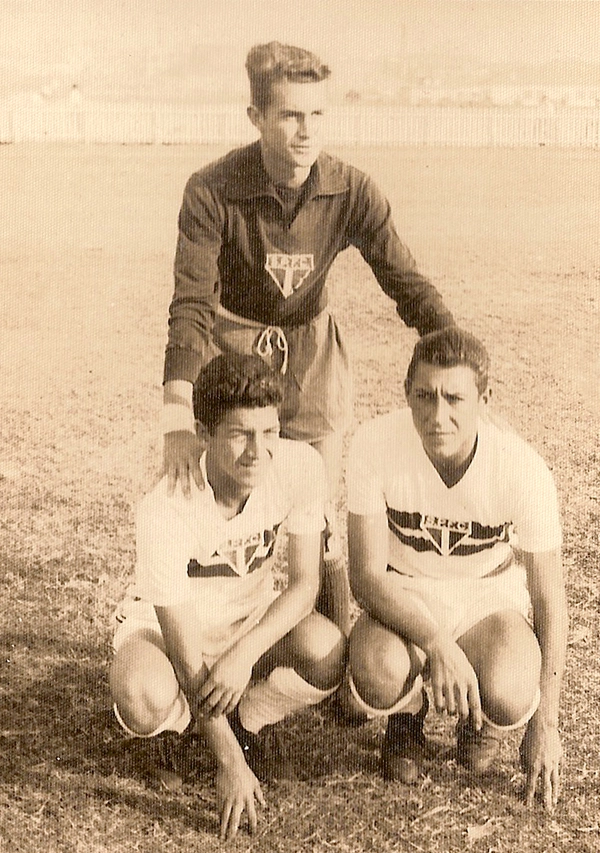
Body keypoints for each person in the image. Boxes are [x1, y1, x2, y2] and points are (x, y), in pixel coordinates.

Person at [161, 41, 455, 636]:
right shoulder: (211, 188)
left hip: (314, 355)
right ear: (257, 117)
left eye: (317, 114)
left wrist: (459, 364)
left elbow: (406, 281)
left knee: (316, 517)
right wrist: (175, 417)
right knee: (221, 506)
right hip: (235, 354)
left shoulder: (351, 189)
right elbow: (190, 302)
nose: (305, 131)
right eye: (290, 115)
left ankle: (332, 654)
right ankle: (200, 645)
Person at [110, 354, 346, 841]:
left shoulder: (300, 466)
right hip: (170, 632)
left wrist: (243, 655)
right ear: (203, 433)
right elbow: (182, 647)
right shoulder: (165, 507)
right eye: (239, 434)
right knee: (139, 691)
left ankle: (248, 719)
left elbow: (304, 584)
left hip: (247, 622)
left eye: (269, 432)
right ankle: (178, 732)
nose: (257, 451)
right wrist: (229, 764)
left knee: (327, 652)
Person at [341, 327, 568, 811]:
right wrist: (437, 643)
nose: (437, 415)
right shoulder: (375, 442)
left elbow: (549, 597)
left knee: (510, 690)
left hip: (486, 596)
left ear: (484, 399)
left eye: (454, 399)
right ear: (406, 393)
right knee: (377, 673)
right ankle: (406, 719)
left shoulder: (523, 468)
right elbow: (364, 575)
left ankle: (480, 718)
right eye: (423, 396)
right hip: (404, 588)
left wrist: (544, 720)